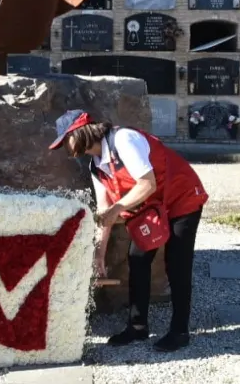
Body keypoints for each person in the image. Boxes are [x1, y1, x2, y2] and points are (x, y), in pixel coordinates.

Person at [48, 109, 208, 352]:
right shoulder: (96, 166)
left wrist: (118, 208)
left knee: (177, 264)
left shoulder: (123, 139)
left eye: (65, 140)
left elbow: (147, 183)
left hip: (182, 197)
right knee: (138, 259)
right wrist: (99, 255)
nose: (65, 148)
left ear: (79, 132)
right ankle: (137, 326)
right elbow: (105, 212)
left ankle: (179, 331)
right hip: (152, 206)